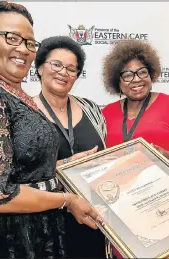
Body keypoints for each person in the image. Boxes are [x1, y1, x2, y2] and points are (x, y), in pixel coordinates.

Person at [0, 2, 99, 258]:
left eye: (30, 43)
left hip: (30, 230)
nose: (22, 49)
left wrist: (64, 165)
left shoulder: (12, 91)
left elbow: (16, 168)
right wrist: (67, 200)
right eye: (11, 38)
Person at [102, 40, 169, 259]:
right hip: (126, 213)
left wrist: (168, 157)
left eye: (141, 72)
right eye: (127, 75)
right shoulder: (105, 114)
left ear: (151, 73)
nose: (136, 80)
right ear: (117, 81)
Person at [32, 36, 107, 258]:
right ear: (39, 68)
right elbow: (19, 176)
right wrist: (64, 166)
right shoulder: (25, 112)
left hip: (91, 219)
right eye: (56, 64)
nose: (63, 72)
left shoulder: (91, 108)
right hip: (46, 222)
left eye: (72, 69)